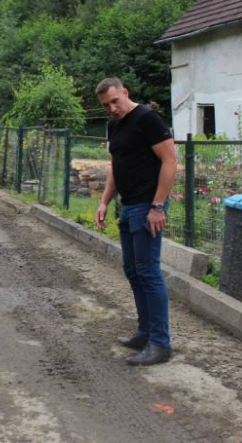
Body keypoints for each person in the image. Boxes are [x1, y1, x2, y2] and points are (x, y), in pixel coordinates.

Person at [94, 78, 177, 366]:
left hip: (147, 205)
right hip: (127, 205)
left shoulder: (147, 118)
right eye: (106, 105)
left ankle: (160, 343)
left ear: (125, 92)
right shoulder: (114, 125)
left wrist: (158, 205)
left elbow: (170, 161)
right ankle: (144, 333)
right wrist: (105, 201)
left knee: (148, 271)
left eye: (115, 101)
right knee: (132, 270)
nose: (112, 108)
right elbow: (116, 167)